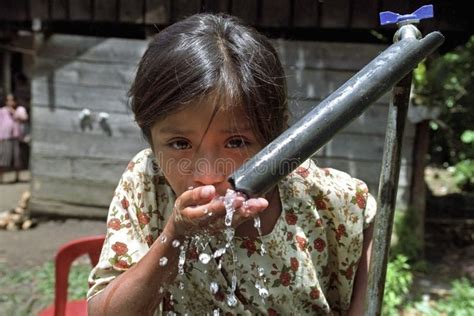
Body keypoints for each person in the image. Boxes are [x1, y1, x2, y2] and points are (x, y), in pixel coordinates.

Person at [87, 13, 376, 315]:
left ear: (276, 136)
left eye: (236, 142)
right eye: (180, 144)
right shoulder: (147, 183)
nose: (208, 175)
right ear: (149, 137)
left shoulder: (334, 203)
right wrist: (175, 235)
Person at [0, 93, 29, 183]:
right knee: (3, 159)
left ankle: (17, 177)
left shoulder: (19, 110)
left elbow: (24, 118)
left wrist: (13, 112)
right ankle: (1, 178)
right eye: (8, 100)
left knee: (17, 158)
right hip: (6, 137)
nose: (10, 102)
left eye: (12, 100)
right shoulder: (2, 111)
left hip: (16, 137)